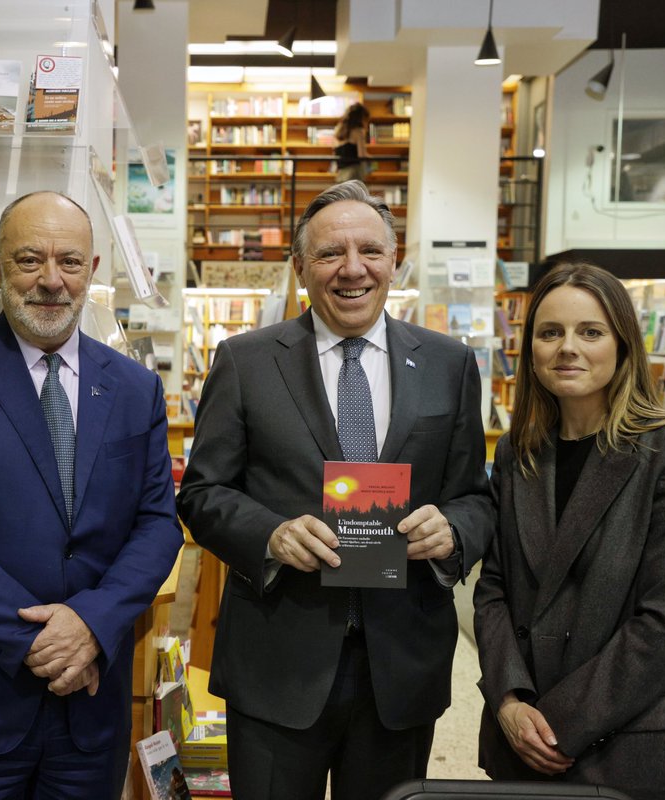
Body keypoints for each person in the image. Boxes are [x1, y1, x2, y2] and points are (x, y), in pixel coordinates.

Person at [176, 180, 493, 800]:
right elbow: (202, 492)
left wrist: (452, 531)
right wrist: (269, 535)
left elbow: (475, 496)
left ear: (394, 260)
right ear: (299, 266)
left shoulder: (448, 364)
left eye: (371, 251)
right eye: (329, 254)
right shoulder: (245, 360)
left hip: (399, 667)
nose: (353, 269)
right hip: (277, 660)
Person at [0, 190, 183, 799]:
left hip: (91, 711)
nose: (51, 280)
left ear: (92, 271)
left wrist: (92, 625)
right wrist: (41, 641)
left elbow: (157, 525)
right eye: (29, 260)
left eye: (69, 262)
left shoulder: (134, 388)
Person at [473, 261, 665, 800]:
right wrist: (510, 703)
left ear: (623, 344)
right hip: (522, 741)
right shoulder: (519, 452)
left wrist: (557, 722)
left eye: (590, 331)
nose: (568, 348)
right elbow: (494, 588)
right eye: (550, 332)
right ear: (531, 350)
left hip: (628, 746)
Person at [333, 102, 370, 184]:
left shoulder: (338, 130)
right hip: (354, 173)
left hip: (341, 174)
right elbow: (362, 155)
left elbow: (335, 153)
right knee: (357, 196)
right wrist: (371, 159)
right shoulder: (358, 131)